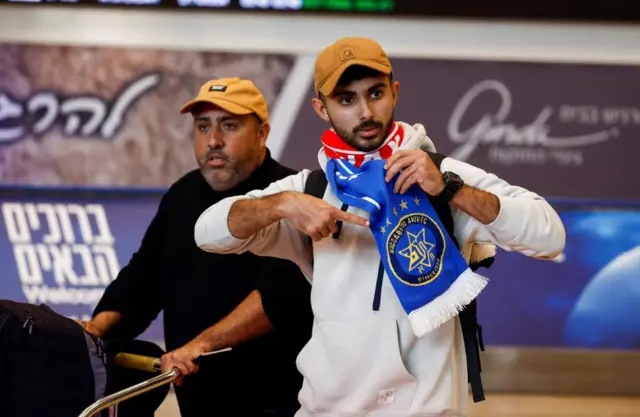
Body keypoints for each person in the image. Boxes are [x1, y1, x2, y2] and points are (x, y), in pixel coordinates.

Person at [193, 38, 566, 417]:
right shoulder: (310, 189)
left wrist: (451, 189)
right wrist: (282, 206)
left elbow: (549, 236)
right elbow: (207, 233)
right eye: (346, 99)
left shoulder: (441, 175)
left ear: (395, 92)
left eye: (375, 93)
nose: (366, 112)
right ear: (321, 109)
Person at [84, 77, 314, 417]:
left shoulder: (289, 196)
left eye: (230, 126)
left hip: (277, 400)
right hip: (199, 398)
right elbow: (143, 278)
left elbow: (277, 298)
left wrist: (199, 345)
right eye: (203, 126)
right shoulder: (182, 195)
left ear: (262, 133)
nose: (214, 141)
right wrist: (93, 332)